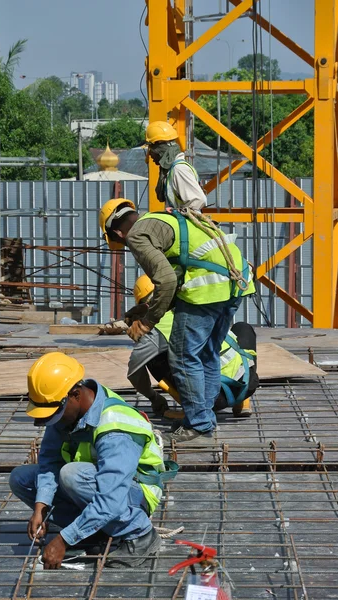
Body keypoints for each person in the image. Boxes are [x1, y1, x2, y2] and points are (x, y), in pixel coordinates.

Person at [99, 196, 255, 443]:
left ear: (118, 232)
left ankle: (199, 424)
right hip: (236, 283)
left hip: (208, 291)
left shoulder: (137, 236)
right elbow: (181, 273)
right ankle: (204, 418)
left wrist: (148, 321)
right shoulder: (162, 218)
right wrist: (148, 309)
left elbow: (168, 282)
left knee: (183, 356)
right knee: (207, 353)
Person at [9, 352, 171, 569]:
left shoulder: (115, 428)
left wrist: (63, 539)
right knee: (22, 479)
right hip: (94, 482)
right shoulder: (66, 410)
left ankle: (139, 534)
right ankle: (92, 533)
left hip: (134, 490)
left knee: (71, 475)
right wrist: (41, 507)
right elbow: (49, 459)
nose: (52, 422)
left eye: (54, 414)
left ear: (75, 395)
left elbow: (110, 498)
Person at [127, 275, 259, 418]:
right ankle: (243, 402)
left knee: (151, 358)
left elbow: (134, 371)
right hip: (247, 384)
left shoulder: (157, 329)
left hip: (211, 400)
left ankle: (192, 411)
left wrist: (154, 397)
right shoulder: (198, 301)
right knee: (242, 328)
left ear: (145, 306)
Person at [145, 120, 207, 210]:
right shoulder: (170, 170)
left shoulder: (179, 169)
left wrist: (177, 213)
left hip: (185, 222)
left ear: (159, 148)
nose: (150, 154)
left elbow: (198, 200)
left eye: (151, 148)